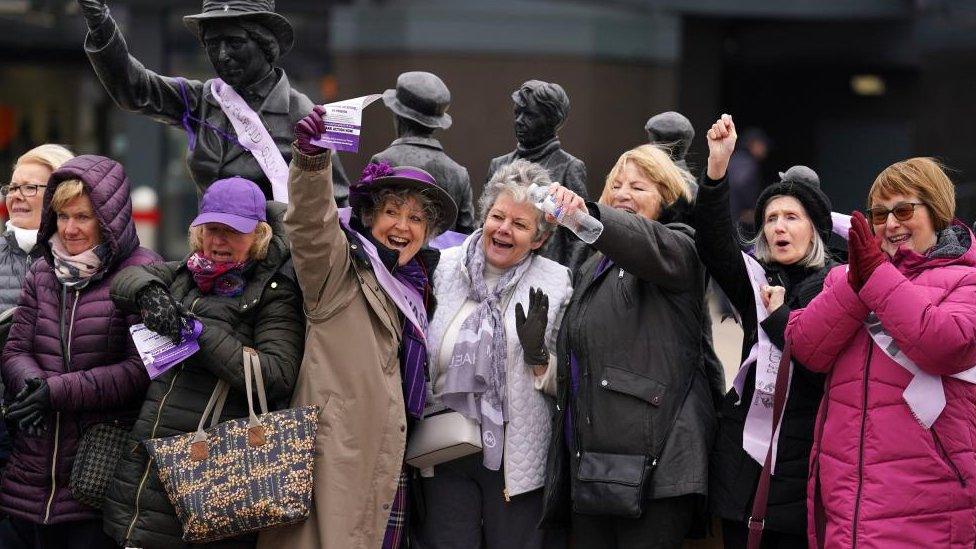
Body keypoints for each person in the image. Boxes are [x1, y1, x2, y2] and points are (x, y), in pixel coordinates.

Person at [256, 107, 457, 549]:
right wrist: (311, 162)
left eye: (417, 219)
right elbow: (312, 226)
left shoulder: (421, 288)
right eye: (391, 212)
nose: (402, 227)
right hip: (333, 467)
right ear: (370, 217)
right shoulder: (340, 274)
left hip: (390, 466)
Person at [102, 175, 305, 549]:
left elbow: (277, 375)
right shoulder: (188, 273)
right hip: (148, 473)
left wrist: (198, 333)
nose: (219, 241)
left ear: (260, 234)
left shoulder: (274, 292)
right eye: (212, 229)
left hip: (212, 478)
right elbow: (128, 278)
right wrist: (149, 294)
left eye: (233, 231)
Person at [786, 157, 976, 548]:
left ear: (937, 212)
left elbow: (945, 344)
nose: (891, 224)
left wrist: (874, 276)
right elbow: (806, 347)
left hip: (930, 506)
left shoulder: (967, 279)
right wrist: (858, 281)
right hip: (847, 508)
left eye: (904, 210)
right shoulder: (849, 277)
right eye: (879, 213)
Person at [540, 144, 716, 548]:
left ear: (666, 198)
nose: (622, 194)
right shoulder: (592, 263)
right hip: (598, 467)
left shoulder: (680, 247)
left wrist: (589, 216)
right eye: (615, 185)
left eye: (638, 187)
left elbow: (639, 241)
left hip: (657, 470)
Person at [0, 155, 161, 549]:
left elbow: (139, 371)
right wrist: (32, 385)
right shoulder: (43, 271)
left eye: (83, 217)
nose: (69, 229)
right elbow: (16, 347)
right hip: (31, 473)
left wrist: (55, 392)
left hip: (97, 476)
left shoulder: (143, 273)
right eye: (62, 216)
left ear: (110, 219)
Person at [693, 115, 838, 548]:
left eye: (791, 217)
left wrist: (778, 321)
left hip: (800, 465)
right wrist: (717, 167)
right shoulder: (757, 277)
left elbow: (819, 363)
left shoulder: (835, 283)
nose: (778, 226)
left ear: (815, 228)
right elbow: (716, 244)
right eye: (771, 217)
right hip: (744, 469)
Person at [416, 159, 572, 548]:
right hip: (444, 443)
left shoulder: (557, 283)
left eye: (519, 225)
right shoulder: (443, 267)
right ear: (484, 217)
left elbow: (565, 382)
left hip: (515, 459)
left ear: (538, 239)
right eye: (497, 217)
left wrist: (538, 355)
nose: (504, 229)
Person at [74, 0, 351, 203]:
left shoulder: (307, 114)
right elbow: (135, 90)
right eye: (212, 44)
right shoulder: (202, 101)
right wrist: (101, 24)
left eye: (234, 42)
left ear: (266, 43)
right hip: (211, 259)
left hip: (280, 270)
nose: (222, 55)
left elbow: (338, 206)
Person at [0, 145, 75, 475]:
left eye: (30, 187)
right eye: (13, 187)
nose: (16, 196)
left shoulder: (83, 261)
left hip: (61, 426)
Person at [488, 80, 589, 273]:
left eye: (530, 115)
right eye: (518, 112)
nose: (519, 120)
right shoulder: (498, 165)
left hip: (545, 279)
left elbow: (578, 239)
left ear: (553, 121)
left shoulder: (570, 168)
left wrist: (568, 284)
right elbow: (484, 224)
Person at [372, 71, 476, 233]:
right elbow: (465, 236)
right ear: (436, 124)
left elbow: (365, 223)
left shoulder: (382, 161)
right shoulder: (459, 174)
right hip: (442, 259)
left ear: (397, 116)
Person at [726, 127, 770, 234]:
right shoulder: (747, 163)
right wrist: (750, 208)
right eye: (762, 145)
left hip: (726, 215)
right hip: (737, 217)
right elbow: (741, 183)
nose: (765, 149)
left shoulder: (734, 159)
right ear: (753, 144)